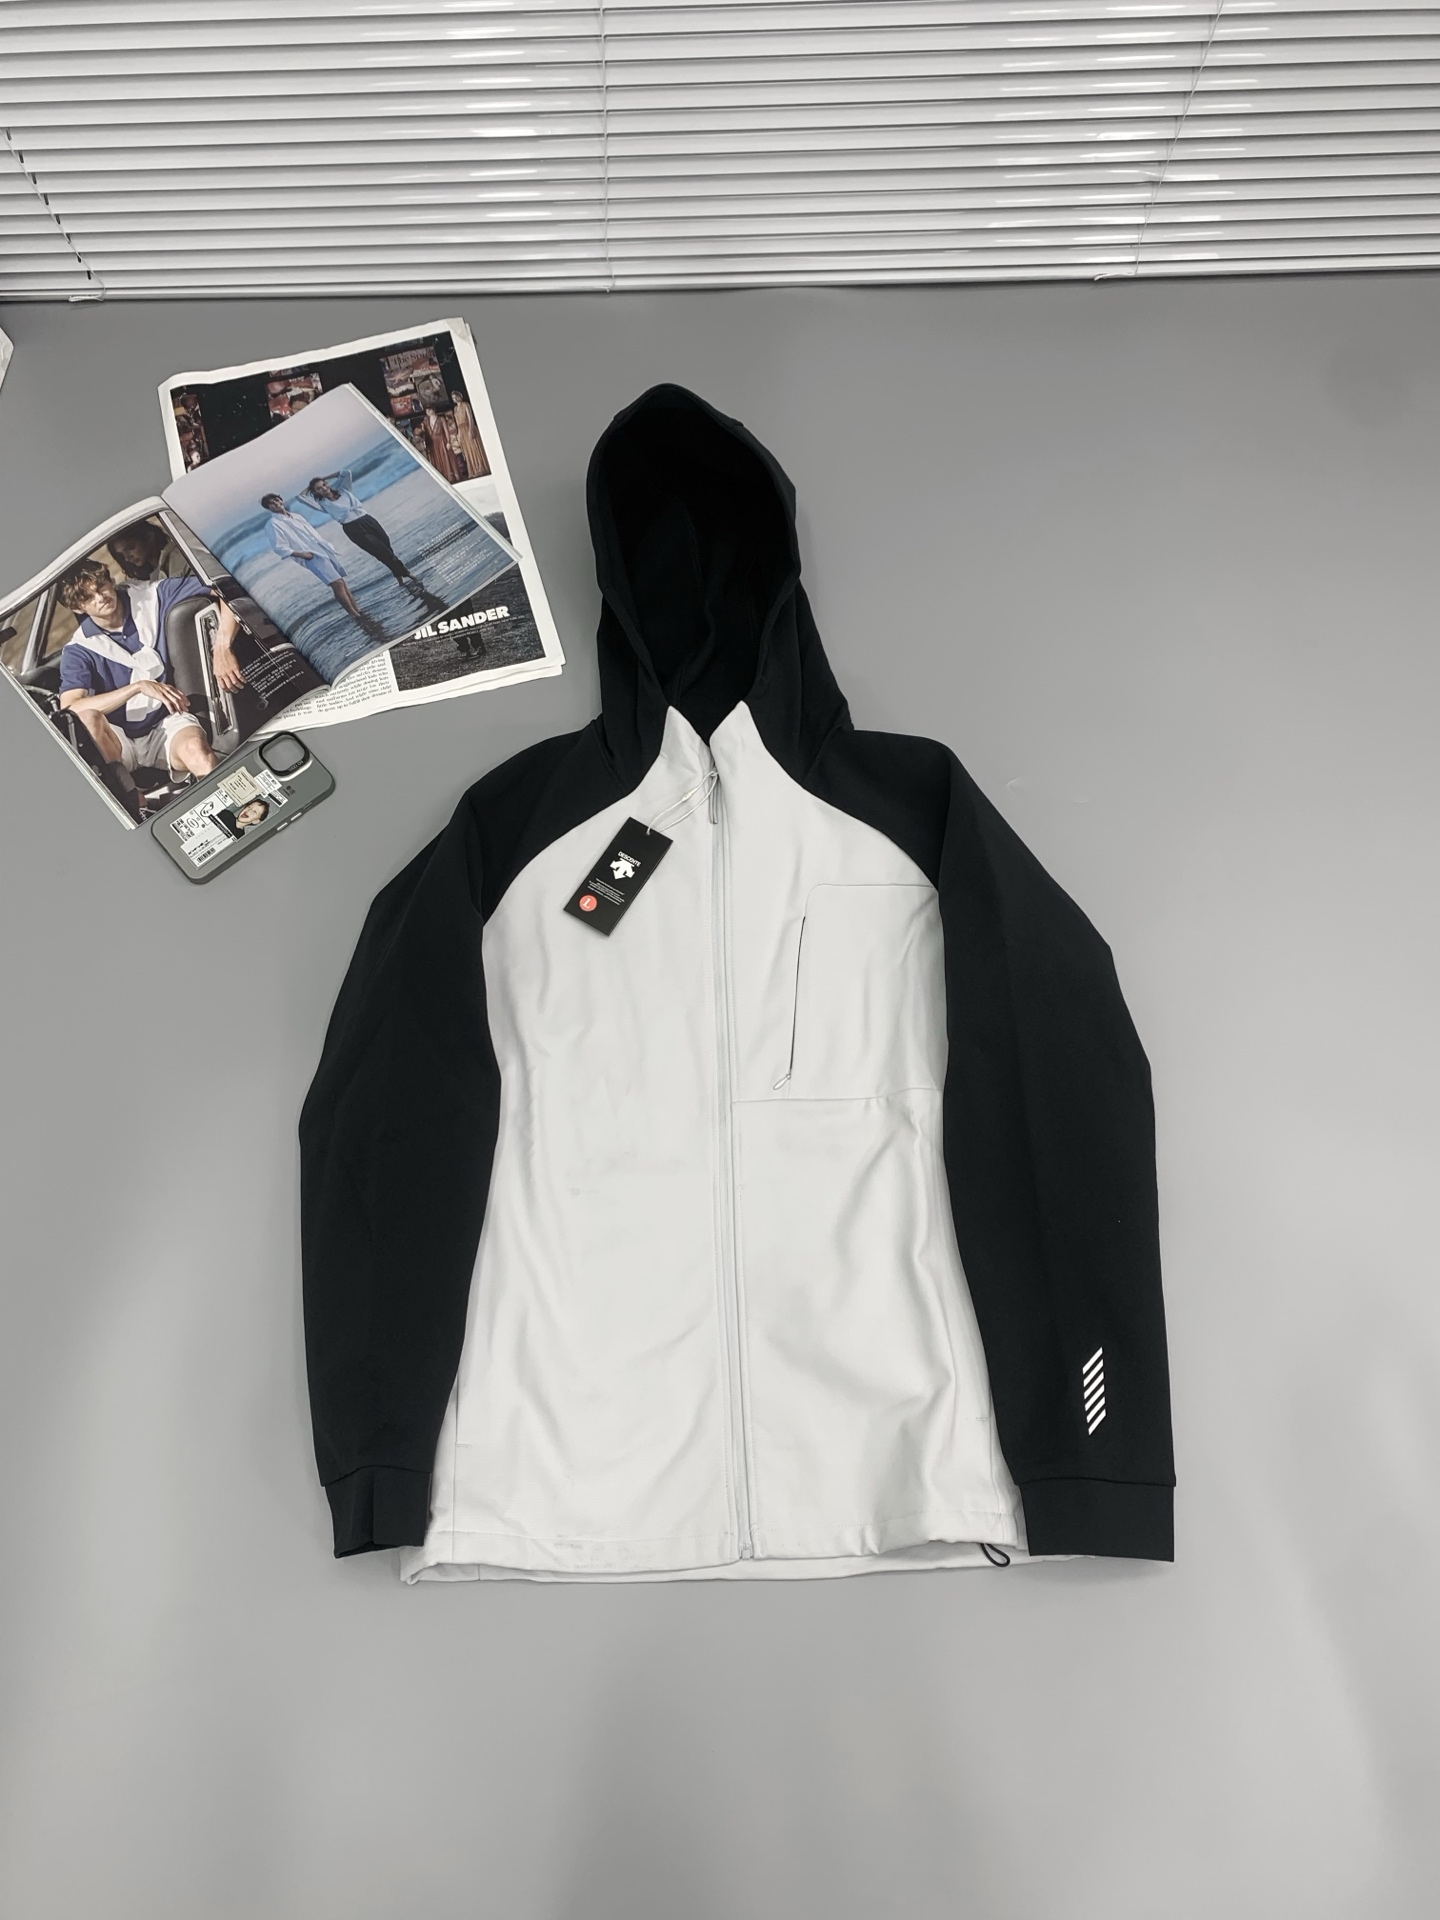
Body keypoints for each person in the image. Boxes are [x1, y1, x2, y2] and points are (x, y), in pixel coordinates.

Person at [55, 559, 233, 782]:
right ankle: (129, 793)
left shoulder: (153, 596)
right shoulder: (78, 649)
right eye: (88, 597)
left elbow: (224, 585)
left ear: (110, 580)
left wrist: (223, 646)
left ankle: (238, 802)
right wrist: (137, 688)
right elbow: (71, 708)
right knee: (88, 718)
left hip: (167, 723)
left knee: (196, 750)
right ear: (77, 607)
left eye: (101, 586)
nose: (100, 598)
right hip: (118, 739)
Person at [302, 471, 444, 610]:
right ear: (316, 492)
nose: (323, 488)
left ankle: (398, 575)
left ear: (327, 483)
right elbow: (301, 498)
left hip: (367, 520)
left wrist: (323, 477)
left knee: (386, 546)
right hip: (353, 529)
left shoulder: (344, 490)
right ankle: (408, 574)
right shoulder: (323, 504)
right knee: (380, 551)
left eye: (324, 485)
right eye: (319, 488)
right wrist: (310, 486)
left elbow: (346, 473)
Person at [259, 495, 370, 629]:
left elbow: (311, 533)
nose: (276, 504)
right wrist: (303, 554)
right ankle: (354, 615)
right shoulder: (273, 524)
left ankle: (358, 610)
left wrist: (325, 545)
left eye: (277, 500)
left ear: (281, 500)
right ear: (268, 508)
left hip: (321, 549)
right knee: (336, 583)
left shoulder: (296, 516)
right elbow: (279, 547)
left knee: (341, 581)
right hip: (311, 555)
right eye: (271, 503)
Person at [450, 390, 489, 478]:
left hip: (468, 427)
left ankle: (480, 468)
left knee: (474, 448)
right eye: (453, 398)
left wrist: (470, 430)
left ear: (460, 396)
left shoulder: (465, 405)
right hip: (461, 430)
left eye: (456, 396)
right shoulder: (455, 409)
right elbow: (456, 422)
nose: (455, 399)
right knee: (467, 450)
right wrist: (458, 433)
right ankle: (473, 469)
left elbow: (470, 418)